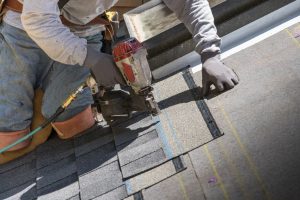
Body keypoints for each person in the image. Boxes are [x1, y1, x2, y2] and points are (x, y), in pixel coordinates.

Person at [0, 0, 238, 161]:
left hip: (81, 30)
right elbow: (39, 21)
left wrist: (210, 54)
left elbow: (188, 3)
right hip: (21, 29)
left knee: (73, 124)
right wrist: (90, 58)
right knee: (9, 133)